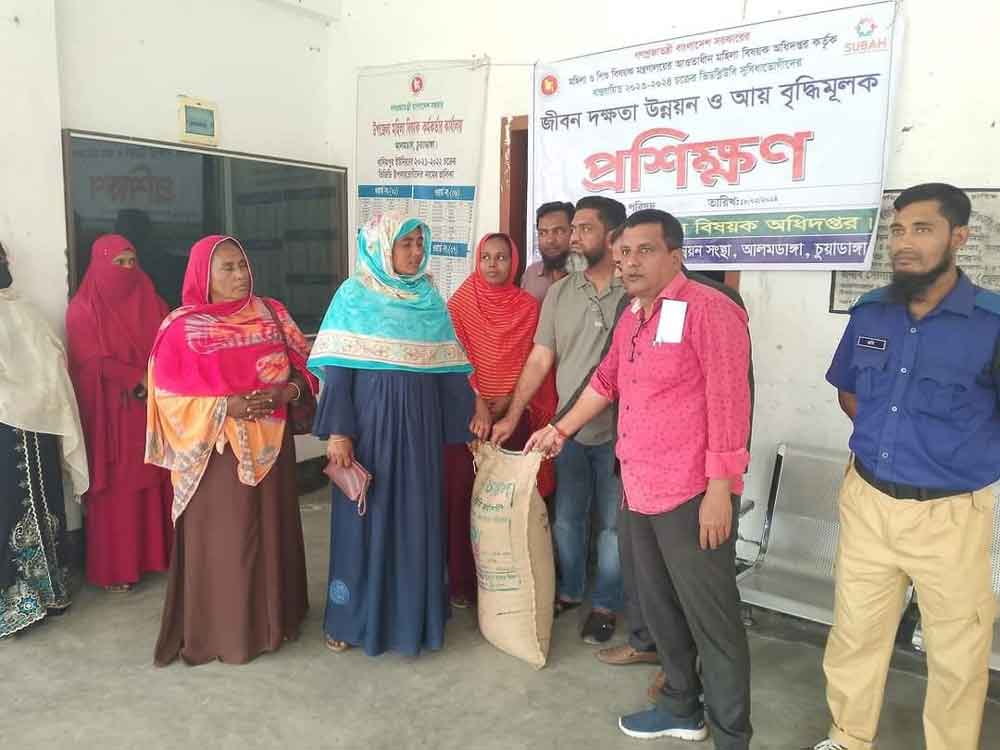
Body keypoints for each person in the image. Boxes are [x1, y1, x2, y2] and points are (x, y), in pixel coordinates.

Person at [526, 209, 753, 747]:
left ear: (675, 256)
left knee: (712, 621)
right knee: (657, 608)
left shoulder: (710, 310)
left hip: (693, 495)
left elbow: (730, 403)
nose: (630, 262)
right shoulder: (633, 315)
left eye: (645, 251)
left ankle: (732, 735)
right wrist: (560, 430)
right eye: (624, 252)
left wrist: (720, 491)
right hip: (638, 488)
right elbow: (605, 382)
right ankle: (680, 706)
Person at [811, 184, 999, 750]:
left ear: (958, 237)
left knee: (956, 650)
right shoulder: (872, 312)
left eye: (922, 229)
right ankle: (848, 737)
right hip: (868, 500)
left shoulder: (990, 324)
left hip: (949, 514)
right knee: (855, 633)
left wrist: (951, 455)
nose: (904, 243)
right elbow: (849, 391)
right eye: (897, 230)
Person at [308, 212, 475, 657]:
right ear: (382, 247)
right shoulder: (354, 295)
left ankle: (412, 622)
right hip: (370, 430)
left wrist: (466, 423)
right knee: (364, 520)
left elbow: (448, 371)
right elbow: (337, 371)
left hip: (420, 431)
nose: (416, 252)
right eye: (406, 244)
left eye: (420, 243)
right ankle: (351, 621)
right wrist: (338, 432)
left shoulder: (429, 298)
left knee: (417, 520)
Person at [146, 235, 315, 666]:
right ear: (204, 275)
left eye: (242, 265)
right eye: (227, 268)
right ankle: (228, 633)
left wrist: (288, 391)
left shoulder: (272, 313)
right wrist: (226, 406)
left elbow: (308, 367)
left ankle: (278, 622)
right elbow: (167, 397)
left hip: (273, 443)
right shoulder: (181, 329)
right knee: (228, 540)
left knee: (273, 531)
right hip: (216, 453)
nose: (240, 275)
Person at [493, 195, 627, 644]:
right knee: (567, 518)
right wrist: (514, 415)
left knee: (612, 526)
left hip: (621, 434)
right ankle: (569, 590)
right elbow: (540, 358)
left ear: (612, 235)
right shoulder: (559, 293)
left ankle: (605, 603)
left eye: (584, 229)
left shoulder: (634, 292)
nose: (573, 238)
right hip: (565, 430)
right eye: (574, 229)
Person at [444, 232, 557, 607]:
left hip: (513, 418)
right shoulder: (461, 303)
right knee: (463, 498)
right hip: (467, 417)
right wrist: (478, 401)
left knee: (507, 502)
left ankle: (508, 583)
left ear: (514, 262)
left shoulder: (527, 307)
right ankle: (463, 583)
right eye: (486, 257)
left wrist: (509, 403)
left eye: (501, 257)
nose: (493, 265)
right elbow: (455, 356)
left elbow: (532, 360)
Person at [66, 234, 173, 593]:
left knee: (156, 477)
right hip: (111, 417)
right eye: (118, 263)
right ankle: (118, 568)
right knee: (118, 489)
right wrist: (135, 377)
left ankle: (157, 556)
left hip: (151, 409)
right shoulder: (84, 308)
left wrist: (155, 377)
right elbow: (88, 361)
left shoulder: (151, 299)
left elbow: (169, 343)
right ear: (100, 264)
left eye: (131, 261)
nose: (127, 269)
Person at [0, 241, 89, 638]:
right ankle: (16, 601)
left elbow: (52, 365)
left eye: (3, 258)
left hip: (37, 428)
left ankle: (45, 591)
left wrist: (38, 397)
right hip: (9, 427)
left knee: (42, 504)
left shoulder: (24, 310)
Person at [521, 201, 574, 302]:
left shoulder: (589, 275)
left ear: (573, 232)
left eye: (558, 231)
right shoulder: (531, 274)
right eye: (543, 233)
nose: (550, 240)